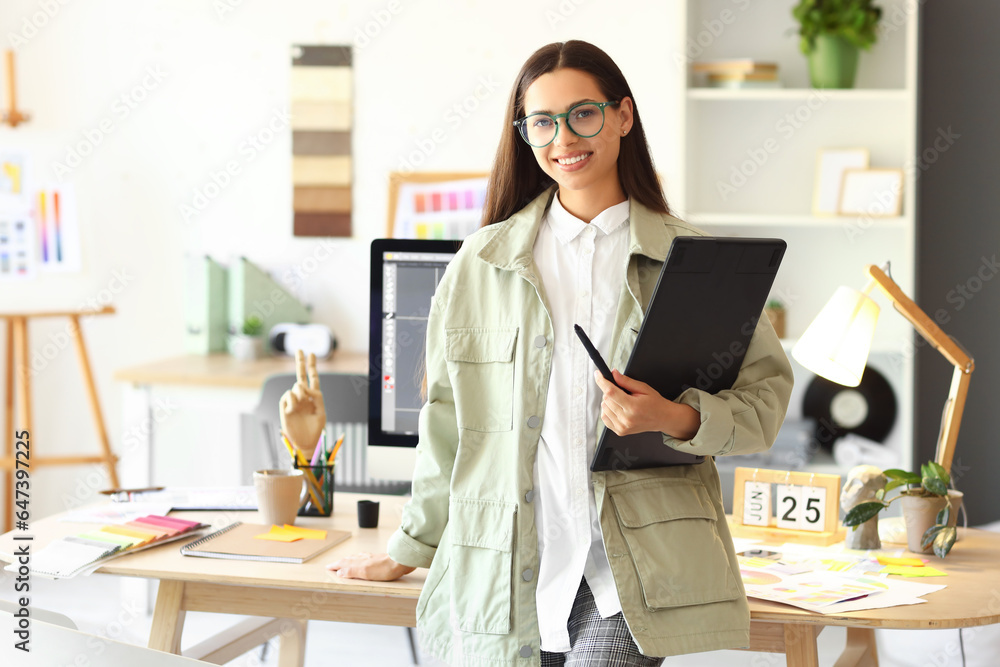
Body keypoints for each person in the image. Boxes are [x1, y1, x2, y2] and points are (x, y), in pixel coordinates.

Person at [328, 40, 793, 665]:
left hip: (630, 576)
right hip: (513, 568)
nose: (562, 137)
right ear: (525, 134)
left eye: (583, 114)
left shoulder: (697, 262)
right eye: (541, 122)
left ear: (623, 116)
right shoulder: (481, 263)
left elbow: (762, 404)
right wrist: (411, 546)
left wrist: (671, 417)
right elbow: (448, 428)